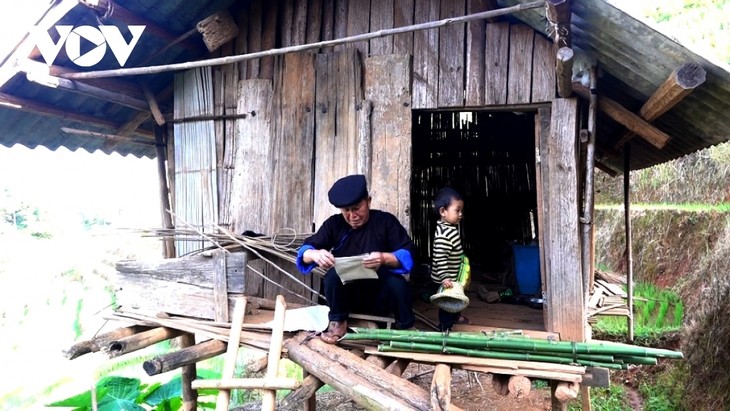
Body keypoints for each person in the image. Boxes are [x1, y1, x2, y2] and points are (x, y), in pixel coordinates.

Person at [296, 174, 417, 344]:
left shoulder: (385, 222)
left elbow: (408, 254)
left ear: (368, 201)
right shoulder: (334, 225)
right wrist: (315, 254)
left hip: (379, 295)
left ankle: (406, 328)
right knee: (332, 276)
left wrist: (384, 258)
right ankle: (337, 323)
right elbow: (304, 252)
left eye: (357, 208)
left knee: (398, 284)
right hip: (347, 296)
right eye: (346, 211)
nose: (352, 215)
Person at [430, 187, 470, 331]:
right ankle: (445, 327)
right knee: (447, 303)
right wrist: (445, 277)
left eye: (461, 211)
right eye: (457, 210)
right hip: (446, 279)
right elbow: (440, 258)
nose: (460, 214)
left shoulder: (450, 228)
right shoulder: (444, 235)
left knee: (456, 297)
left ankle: (456, 316)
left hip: (453, 276)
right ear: (443, 212)